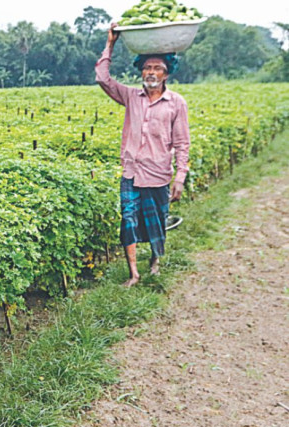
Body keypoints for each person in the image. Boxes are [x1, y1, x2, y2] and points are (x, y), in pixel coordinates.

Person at [97, 24, 191, 287]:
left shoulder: (176, 103)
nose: (151, 72)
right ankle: (134, 274)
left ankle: (155, 261)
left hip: (159, 173)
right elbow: (103, 79)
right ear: (141, 70)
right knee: (128, 220)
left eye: (157, 68)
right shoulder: (130, 96)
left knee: (157, 221)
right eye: (147, 67)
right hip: (131, 172)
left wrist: (180, 176)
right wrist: (110, 44)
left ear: (166, 73)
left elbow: (182, 142)